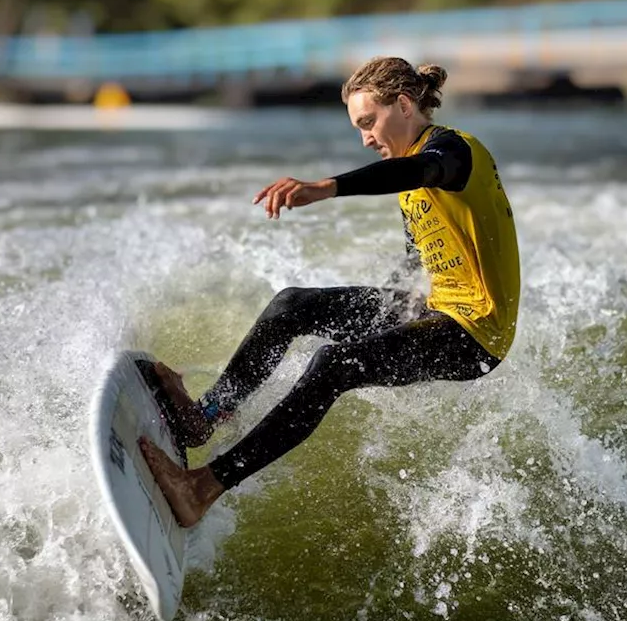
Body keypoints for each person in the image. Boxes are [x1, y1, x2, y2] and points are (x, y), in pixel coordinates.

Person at [138, 56, 522, 528]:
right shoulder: (408, 164)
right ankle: (207, 416)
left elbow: (419, 172)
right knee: (291, 305)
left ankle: (201, 488)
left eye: (368, 122)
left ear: (403, 105)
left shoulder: (453, 153)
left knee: (333, 364)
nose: (365, 138)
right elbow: (421, 250)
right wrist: (388, 310)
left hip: (476, 336)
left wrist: (327, 188)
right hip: (438, 308)